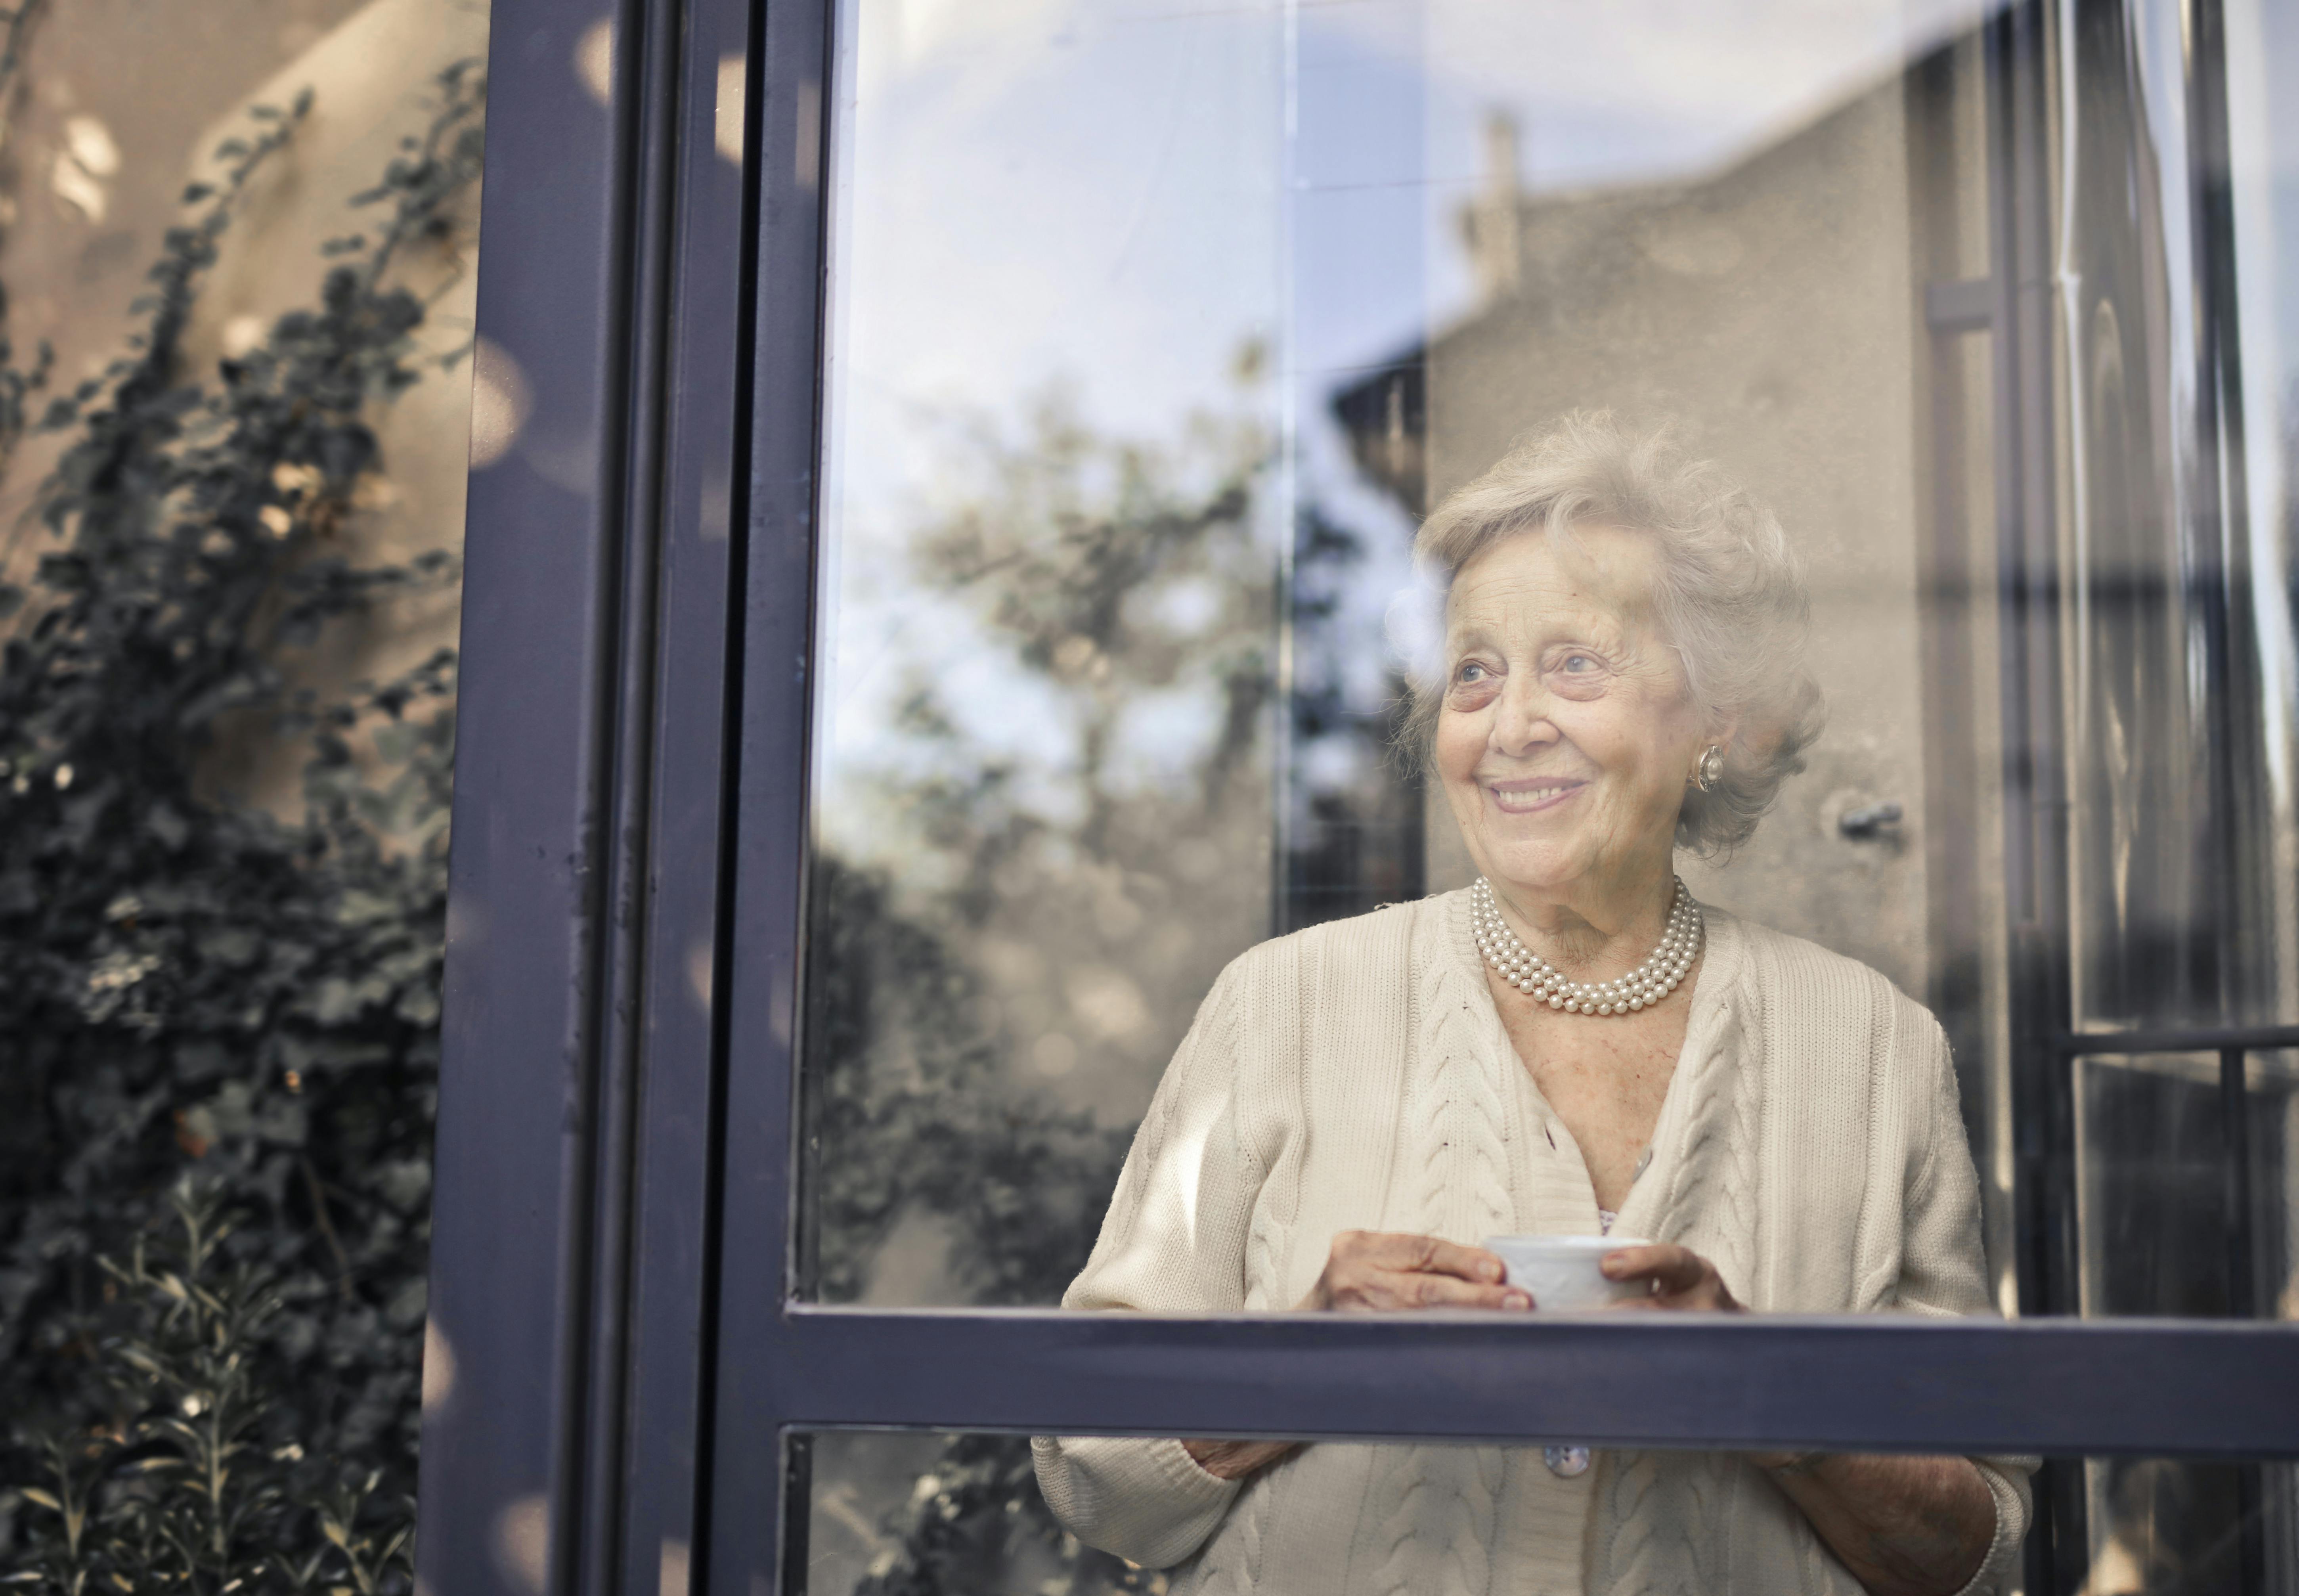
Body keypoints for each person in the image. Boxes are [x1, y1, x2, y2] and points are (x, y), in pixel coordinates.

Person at [1031, 413, 2032, 1596]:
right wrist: (1305, 1354)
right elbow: (1091, 1466)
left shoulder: (1875, 1054)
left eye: (1575, 663)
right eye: (1474, 672)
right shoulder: (1281, 1006)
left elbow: (1977, 1550)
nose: (1510, 727)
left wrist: (1767, 1395)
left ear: (1717, 718)